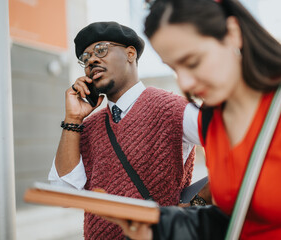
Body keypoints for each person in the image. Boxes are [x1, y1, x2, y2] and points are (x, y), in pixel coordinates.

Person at [107, 0, 281, 239]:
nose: (185, 83)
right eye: (174, 68)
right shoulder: (212, 119)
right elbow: (236, 218)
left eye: (193, 62)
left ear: (232, 33)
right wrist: (159, 228)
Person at [47, 21, 209, 239]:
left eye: (101, 50)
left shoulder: (171, 108)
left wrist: (199, 202)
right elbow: (64, 194)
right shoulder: (85, 127)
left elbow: (237, 146)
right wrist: (73, 118)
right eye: (85, 58)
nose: (92, 60)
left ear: (130, 53)